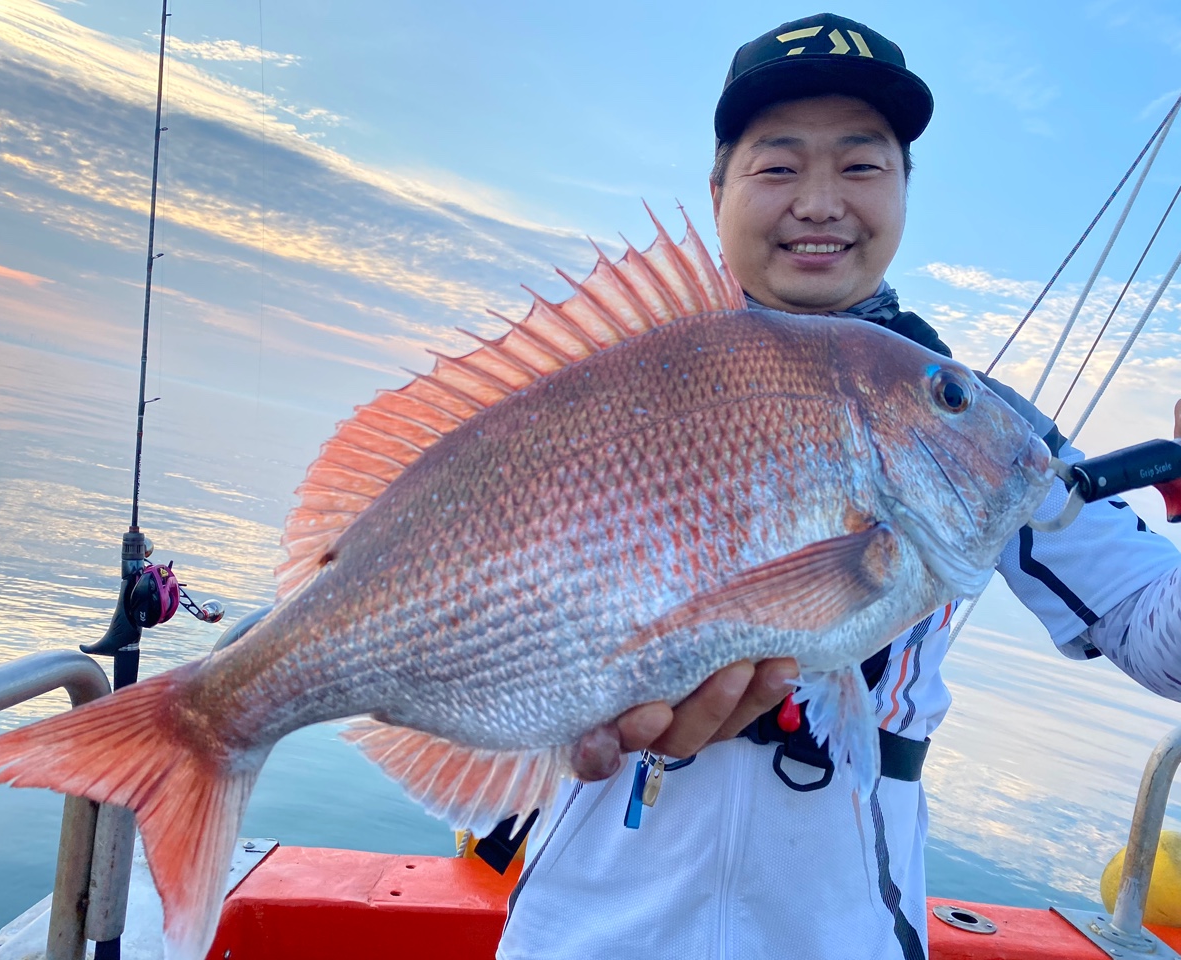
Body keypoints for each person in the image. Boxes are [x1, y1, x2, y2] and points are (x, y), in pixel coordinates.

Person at [496, 13, 1181, 960]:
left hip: (842, 931)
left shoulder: (974, 427)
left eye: (861, 166)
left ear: (903, 190)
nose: (820, 203)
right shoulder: (596, 385)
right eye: (778, 166)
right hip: (583, 927)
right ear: (719, 190)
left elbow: (1153, 635)